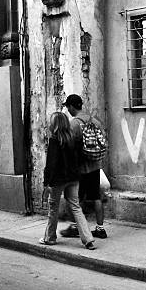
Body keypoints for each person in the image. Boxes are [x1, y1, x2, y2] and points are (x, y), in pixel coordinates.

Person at [40, 111, 96, 250]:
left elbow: (51, 164)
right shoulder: (73, 138)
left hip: (58, 179)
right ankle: (88, 239)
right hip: (73, 178)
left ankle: (50, 238)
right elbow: (79, 158)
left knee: (53, 209)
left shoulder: (54, 140)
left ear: (55, 125)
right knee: (76, 207)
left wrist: (47, 183)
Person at [60, 94, 107, 239]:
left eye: (68, 107)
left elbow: (69, 147)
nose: (68, 109)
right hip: (95, 166)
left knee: (74, 198)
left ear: (72, 106)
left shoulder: (74, 124)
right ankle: (100, 229)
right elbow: (102, 141)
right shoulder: (94, 121)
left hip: (80, 168)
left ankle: (75, 226)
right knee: (96, 197)